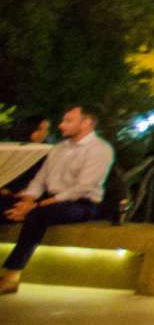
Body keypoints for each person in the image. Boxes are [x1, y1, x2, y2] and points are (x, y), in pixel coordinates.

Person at [0, 106, 113, 294]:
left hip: (81, 204)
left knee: (37, 215)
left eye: (68, 121)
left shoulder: (100, 150)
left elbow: (81, 188)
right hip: (47, 200)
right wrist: (27, 201)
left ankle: (12, 275)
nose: (61, 125)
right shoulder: (59, 148)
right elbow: (40, 180)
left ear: (86, 123)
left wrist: (34, 206)